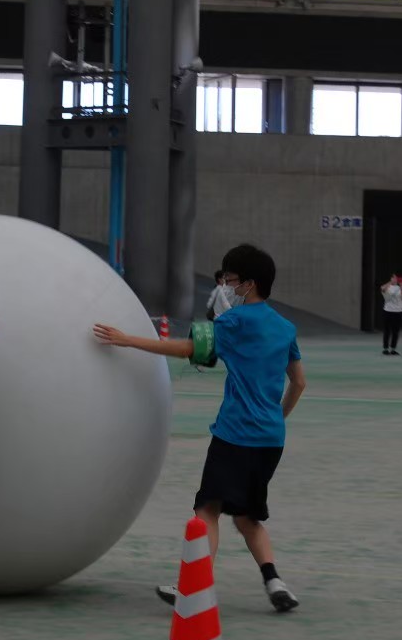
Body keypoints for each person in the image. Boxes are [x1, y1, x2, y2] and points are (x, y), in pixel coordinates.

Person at [94, 243, 307, 614]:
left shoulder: (233, 323)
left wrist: (127, 339)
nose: (226, 286)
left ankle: (193, 587)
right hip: (271, 439)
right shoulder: (285, 328)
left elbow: (187, 349)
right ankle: (275, 582)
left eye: (231, 279)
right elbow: (299, 382)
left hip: (235, 434)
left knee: (207, 509)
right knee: (248, 517)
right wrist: (279, 418)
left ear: (249, 284)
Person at [380, 273, 402, 356]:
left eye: (396, 278)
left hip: (398, 311)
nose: (395, 279)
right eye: (393, 278)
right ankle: (385, 349)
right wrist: (390, 282)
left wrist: (401, 287)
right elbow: (382, 289)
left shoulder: (401, 288)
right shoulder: (387, 287)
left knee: (395, 331)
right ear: (391, 278)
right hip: (388, 311)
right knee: (387, 331)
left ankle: (393, 349)